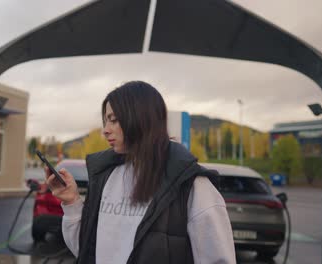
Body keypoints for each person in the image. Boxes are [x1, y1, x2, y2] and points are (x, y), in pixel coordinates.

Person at [46, 81, 236, 263]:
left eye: (114, 120)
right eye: (105, 121)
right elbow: (86, 250)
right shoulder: (106, 176)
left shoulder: (191, 184)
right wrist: (71, 201)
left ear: (141, 118)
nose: (105, 130)